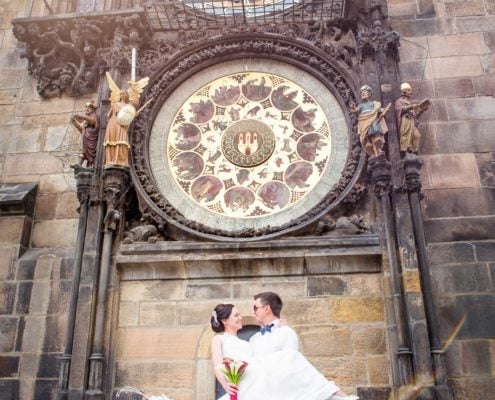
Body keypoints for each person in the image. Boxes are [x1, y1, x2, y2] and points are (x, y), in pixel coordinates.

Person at [210, 295, 359, 400]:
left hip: (258, 376)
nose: (240, 317)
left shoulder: (249, 341)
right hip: (245, 379)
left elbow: (261, 353)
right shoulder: (219, 339)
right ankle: (334, 392)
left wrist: (280, 327)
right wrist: (227, 386)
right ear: (224, 320)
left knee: (292, 358)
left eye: (239, 314)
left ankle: (332, 392)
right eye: (236, 315)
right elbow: (217, 367)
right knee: (292, 357)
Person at [104, 72, 149, 167]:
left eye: (124, 94)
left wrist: (134, 114)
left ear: (127, 95)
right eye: (121, 94)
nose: (122, 95)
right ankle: (111, 159)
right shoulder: (115, 104)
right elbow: (110, 115)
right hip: (114, 123)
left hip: (123, 125)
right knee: (112, 141)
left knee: (122, 140)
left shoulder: (128, 106)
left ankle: (121, 160)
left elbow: (129, 114)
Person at [350, 85, 390, 157]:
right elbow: (356, 111)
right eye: (361, 92)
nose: (363, 93)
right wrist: (353, 108)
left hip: (372, 118)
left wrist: (384, 110)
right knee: (366, 134)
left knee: (376, 129)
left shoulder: (373, 103)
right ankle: (370, 147)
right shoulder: (361, 105)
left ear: (369, 94)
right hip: (363, 120)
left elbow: (378, 109)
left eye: (364, 92)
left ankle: (378, 148)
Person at [394, 82, 430, 156]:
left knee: (417, 135)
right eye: (409, 91)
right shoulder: (399, 101)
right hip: (405, 120)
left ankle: (414, 151)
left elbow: (415, 117)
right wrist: (411, 107)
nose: (411, 92)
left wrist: (422, 111)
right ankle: (405, 152)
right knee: (405, 135)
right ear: (404, 91)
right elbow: (399, 109)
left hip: (411, 121)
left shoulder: (410, 103)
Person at [71, 100, 99, 168]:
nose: (87, 109)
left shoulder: (95, 115)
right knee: (83, 151)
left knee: (91, 153)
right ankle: (80, 164)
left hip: (92, 139)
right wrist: (75, 123)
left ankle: (92, 164)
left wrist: (82, 116)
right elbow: (83, 130)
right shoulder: (86, 121)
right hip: (86, 138)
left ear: (93, 109)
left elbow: (93, 121)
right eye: (86, 108)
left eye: (88, 108)